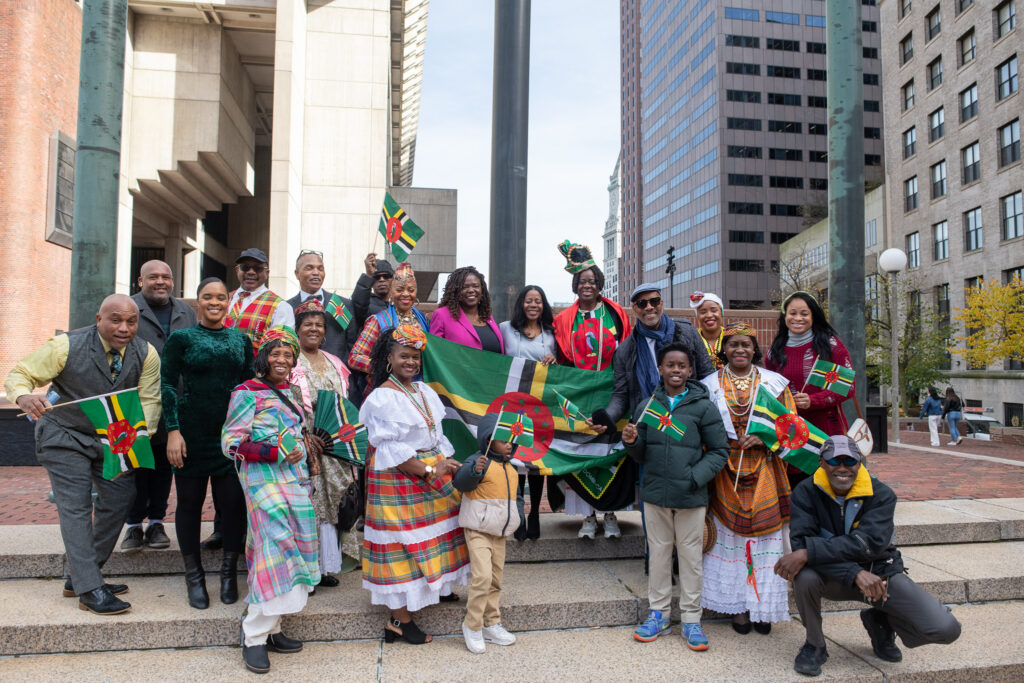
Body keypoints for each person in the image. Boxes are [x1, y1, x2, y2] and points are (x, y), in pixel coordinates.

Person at [5, 294, 161, 614]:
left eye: (131, 321)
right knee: (75, 507)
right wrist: (22, 396)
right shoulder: (66, 346)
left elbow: (149, 402)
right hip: (63, 434)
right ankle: (90, 588)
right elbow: (21, 373)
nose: (124, 328)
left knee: (120, 496)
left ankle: (81, 575)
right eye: (115, 320)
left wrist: (133, 443)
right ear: (98, 318)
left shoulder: (147, 353)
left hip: (113, 439)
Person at [776, 436, 961, 677]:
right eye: (835, 461)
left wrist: (812, 550)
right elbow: (800, 545)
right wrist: (854, 572)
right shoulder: (805, 492)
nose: (842, 468)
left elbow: (868, 544)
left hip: (880, 574)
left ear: (860, 462)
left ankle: (880, 620)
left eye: (850, 461)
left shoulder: (882, 494)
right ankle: (815, 645)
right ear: (821, 462)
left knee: (946, 628)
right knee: (805, 576)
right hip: (831, 578)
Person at [359, 324, 469, 644]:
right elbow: (390, 451)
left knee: (443, 533)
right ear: (388, 359)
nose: (411, 362)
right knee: (404, 546)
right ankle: (399, 620)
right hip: (399, 478)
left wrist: (444, 462)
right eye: (404, 356)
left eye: (415, 357)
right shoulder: (382, 398)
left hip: (427, 471)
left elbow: (435, 436)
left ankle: (436, 587)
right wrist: (431, 469)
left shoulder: (424, 392)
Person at [222, 326, 320, 674]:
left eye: (288, 354)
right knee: (274, 548)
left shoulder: (290, 393)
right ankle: (253, 636)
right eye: (275, 353)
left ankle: (273, 627)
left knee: (293, 544)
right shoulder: (246, 392)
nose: (282, 359)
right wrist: (275, 450)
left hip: (293, 479)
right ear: (263, 358)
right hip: (262, 479)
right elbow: (231, 442)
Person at [584, 283, 713, 540]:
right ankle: (654, 556)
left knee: (689, 495)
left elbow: (708, 376)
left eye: (654, 301)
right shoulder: (626, 350)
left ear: (661, 302)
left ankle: (685, 556)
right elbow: (621, 395)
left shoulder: (686, 333)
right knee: (652, 500)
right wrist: (607, 417)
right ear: (635, 309)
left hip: (690, 427)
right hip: (650, 432)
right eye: (642, 303)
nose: (649, 307)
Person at [622, 343, 729, 650]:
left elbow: (720, 451)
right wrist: (630, 442)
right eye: (670, 365)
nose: (676, 370)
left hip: (691, 497)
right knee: (658, 556)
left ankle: (692, 620)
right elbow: (640, 453)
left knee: (691, 559)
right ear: (661, 369)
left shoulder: (703, 407)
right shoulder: (647, 405)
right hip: (655, 495)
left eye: (682, 365)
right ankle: (659, 615)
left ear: (690, 370)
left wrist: (694, 478)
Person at [161, 277, 253, 609]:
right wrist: (173, 430)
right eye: (207, 297)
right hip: (190, 432)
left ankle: (228, 574)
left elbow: (247, 390)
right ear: (197, 301)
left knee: (232, 505)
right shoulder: (181, 338)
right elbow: (168, 386)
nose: (214, 302)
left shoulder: (241, 340)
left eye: (221, 297)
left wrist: (248, 432)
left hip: (230, 434)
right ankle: (194, 577)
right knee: (189, 503)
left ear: (229, 302)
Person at [701, 323, 795, 634]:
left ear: (755, 349)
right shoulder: (708, 385)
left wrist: (767, 439)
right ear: (723, 349)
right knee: (730, 543)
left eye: (745, 344)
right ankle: (738, 609)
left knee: (764, 543)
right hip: (725, 470)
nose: (739, 350)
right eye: (732, 344)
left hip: (765, 468)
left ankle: (762, 607)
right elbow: (701, 426)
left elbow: (792, 427)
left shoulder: (775, 384)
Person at [124, 260, 197, 552]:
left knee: (165, 464)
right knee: (136, 463)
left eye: (166, 277)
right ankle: (132, 525)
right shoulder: (128, 308)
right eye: (153, 277)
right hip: (136, 402)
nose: (160, 282)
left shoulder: (186, 311)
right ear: (140, 281)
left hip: (175, 403)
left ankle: (156, 522)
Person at [289, 298, 361, 585]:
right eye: (308, 324)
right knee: (309, 505)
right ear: (297, 329)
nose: (314, 329)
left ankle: (326, 564)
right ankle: (306, 568)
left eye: (319, 325)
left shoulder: (335, 362)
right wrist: (304, 437)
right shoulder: (289, 360)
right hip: (303, 445)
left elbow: (345, 405)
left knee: (334, 503)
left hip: (335, 447)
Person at [765, 292, 855, 490]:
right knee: (797, 491)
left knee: (827, 487)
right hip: (790, 434)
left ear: (814, 316)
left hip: (825, 431)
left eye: (804, 314)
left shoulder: (831, 346)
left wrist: (814, 400)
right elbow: (768, 390)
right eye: (792, 313)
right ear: (784, 316)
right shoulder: (775, 350)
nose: (798, 318)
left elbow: (848, 388)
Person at [452, 412, 522, 654]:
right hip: (479, 530)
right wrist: (474, 471)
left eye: (512, 439)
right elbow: (461, 483)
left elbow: (517, 498)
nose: (510, 443)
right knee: (482, 577)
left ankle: (492, 623)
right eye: (504, 439)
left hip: (500, 533)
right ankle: (472, 625)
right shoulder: (478, 460)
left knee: (495, 580)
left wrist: (518, 516)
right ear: (488, 440)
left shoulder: (511, 470)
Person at [499, 285, 559, 540]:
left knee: (535, 460)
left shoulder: (551, 334)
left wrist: (554, 360)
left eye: (538, 301)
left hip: (539, 407)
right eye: (528, 300)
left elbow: (561, 367)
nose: (533, 305)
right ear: (521, 303)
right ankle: (518, 513)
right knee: (514, 458)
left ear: (543, 305)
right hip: (512, 404)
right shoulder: (504, 329)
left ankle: (535, 512)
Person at [552, 240, 632, 371]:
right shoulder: (562, 320)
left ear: (599, 284)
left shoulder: (615, 313)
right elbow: (559, 356)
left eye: (592, 282)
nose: (587, 286)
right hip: (577, 385)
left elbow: (627, 349)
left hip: (611, 384)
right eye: (582, 282)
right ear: (576, 285)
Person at [349, 261, 429, 389]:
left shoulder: (424, 320)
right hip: (387, 388)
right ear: (391, 292)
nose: (406, 294)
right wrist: (385, 367)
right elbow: (355, 358)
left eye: (411, 290)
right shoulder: (378, 321)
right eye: (399, 289)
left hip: (419, 389)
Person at [286, 250, 359, 373]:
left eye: (320, 269)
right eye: (309, 268)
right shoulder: (286, 307)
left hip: (338, 379)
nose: (316, 273)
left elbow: (352, 344)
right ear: (297, 274)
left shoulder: (341, 305)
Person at [224, 247, 294, 354]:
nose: (251, 272)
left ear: (267, 272)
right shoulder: (223, 299)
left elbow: (282, 349)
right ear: (238, 270)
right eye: (245, 267)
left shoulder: (280, 307)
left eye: (257, 268)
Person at [430, 266, 504, 353]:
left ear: (482, 290)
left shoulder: (488, 317)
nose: (471, 290)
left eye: (476, 286)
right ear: (455, 291)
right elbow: (434, 353)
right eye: (465, 287)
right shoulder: (441, 315)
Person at [351, 253, 393, 326]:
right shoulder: (366, 304)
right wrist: (369, 275)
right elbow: (358, 306)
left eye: (386, 276)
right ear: (371, 282)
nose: (381, 280)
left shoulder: (397, 305)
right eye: (377, 277)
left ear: (392, 280)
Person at [689, 291, 725, 371]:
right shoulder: (692, 340)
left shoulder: (731, 337)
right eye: (703, 312)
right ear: (697, 316)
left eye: (714, 310)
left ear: (721, 313)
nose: (709, 315)